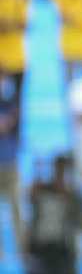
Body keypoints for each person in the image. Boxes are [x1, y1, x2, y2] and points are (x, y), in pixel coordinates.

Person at [0, 0, 30, 121]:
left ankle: (16, 139)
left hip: (18, 59)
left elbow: (24, 24)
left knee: (17, 104)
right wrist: (13, 23)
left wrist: (5, 23)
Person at [0, 72, 25, 260]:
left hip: (10, 162)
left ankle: (22, 247)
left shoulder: (12, 103)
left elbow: (13, 124)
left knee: (17, 206)